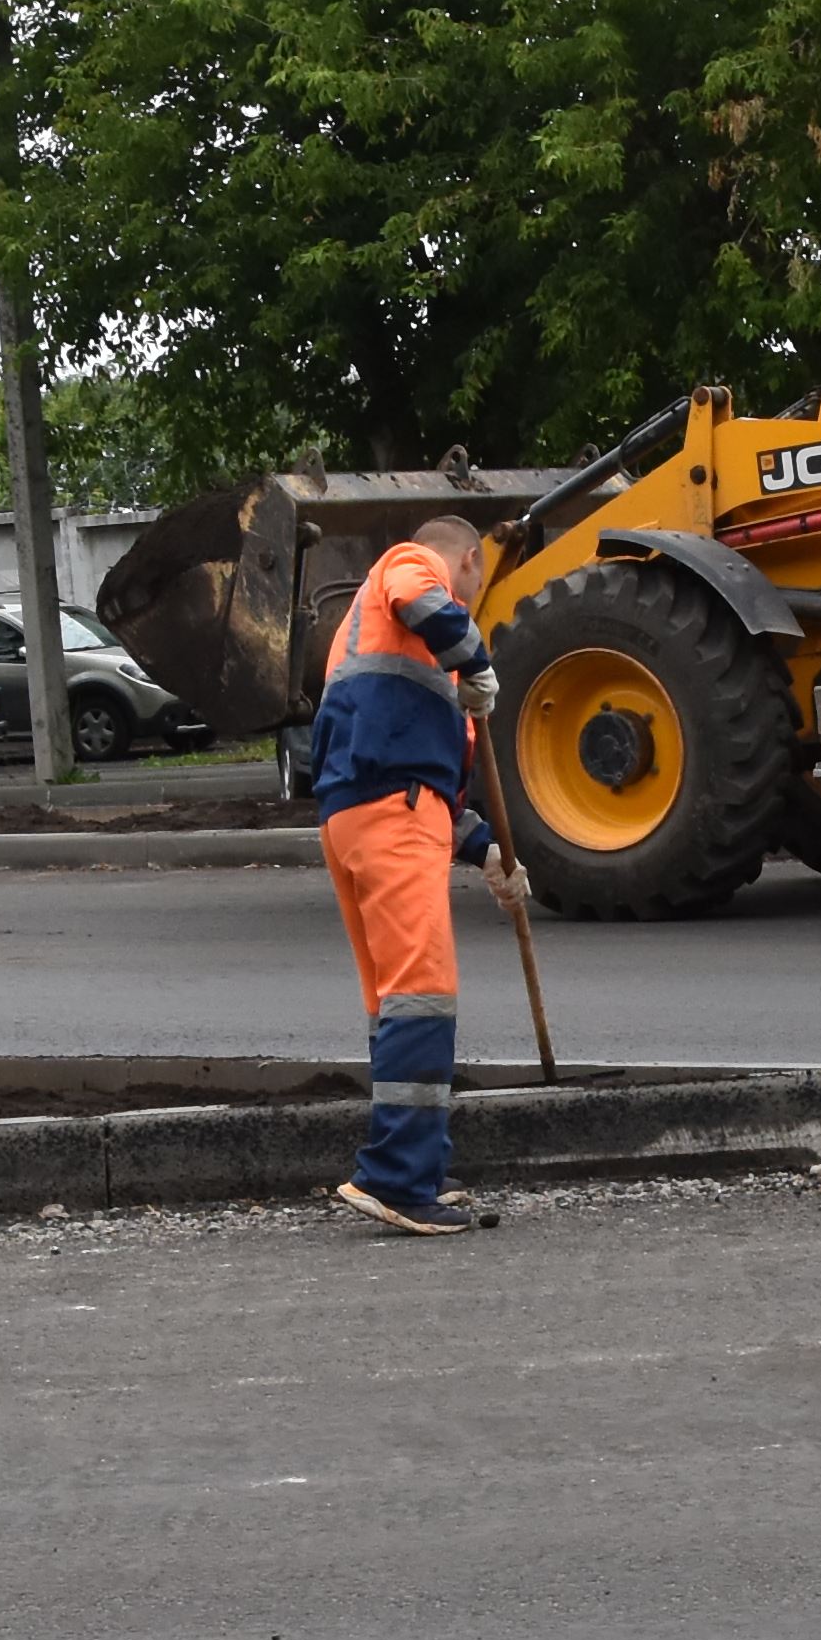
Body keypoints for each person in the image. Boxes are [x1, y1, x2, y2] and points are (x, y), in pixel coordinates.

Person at [310, 515, 512, 1239]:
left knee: (395, 1001)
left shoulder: (379, 646)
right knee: (422, 993)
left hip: (364, 811)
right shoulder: (411, 564)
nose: (467, 600)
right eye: (475, 584)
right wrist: (476, 658)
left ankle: (418, 1168)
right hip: (389, 811)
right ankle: (395, 1178)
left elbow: (430, 785)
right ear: (466, 560)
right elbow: (420, 593)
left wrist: (489, 853)